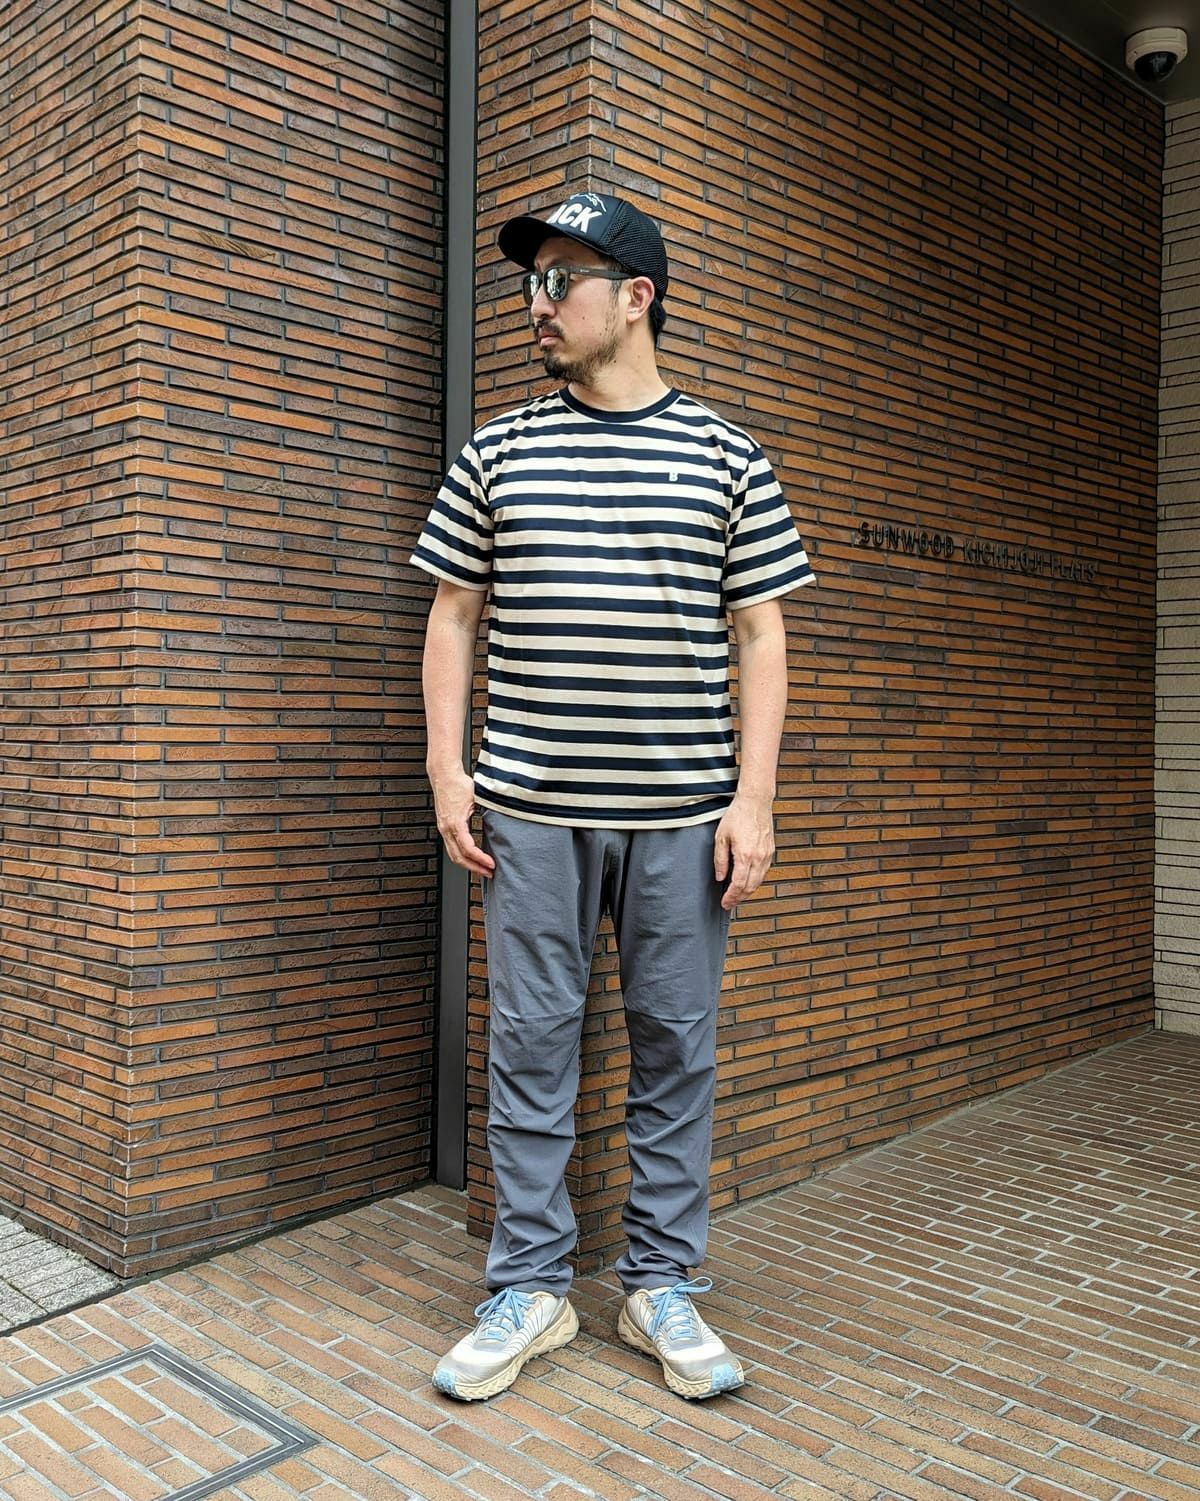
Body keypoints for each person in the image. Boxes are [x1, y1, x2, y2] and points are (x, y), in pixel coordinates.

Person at [411, 189, 814, 1403]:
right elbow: (453, 614)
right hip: (530, 811)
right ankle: (530, 1286)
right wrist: (447, 768)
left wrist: (754, 799)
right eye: (530, 282)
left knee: (676, 1048)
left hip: (684, 816)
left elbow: (761, 633)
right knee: (530, 1043)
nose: (536, 303)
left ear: (636, 298)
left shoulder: (729, 456)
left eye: (561, 281)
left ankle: (659, 1282)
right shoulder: (498, 451)